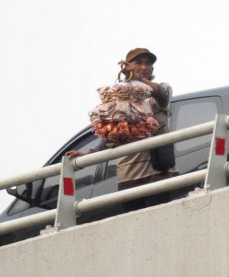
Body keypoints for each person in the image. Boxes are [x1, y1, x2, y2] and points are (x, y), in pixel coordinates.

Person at [68, 48, 178, 212]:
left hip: (159, 175)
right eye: (138, 63)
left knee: (160, 220)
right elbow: (111, 134)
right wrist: (87, 154)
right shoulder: (118, 99)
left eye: (148, 63)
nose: (143, 67)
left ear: (152, 69)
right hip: (128, 177)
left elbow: (162, 96)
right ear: (127, 66)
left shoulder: (161, 89)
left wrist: (140, 79)